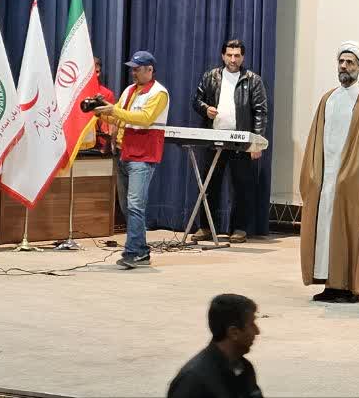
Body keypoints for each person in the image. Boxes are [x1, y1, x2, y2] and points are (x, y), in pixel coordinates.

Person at [299, 41, 359, 303]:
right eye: (341, 61)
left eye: (350, 62)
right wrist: (314, 175)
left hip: (353, 179)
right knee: (325, 229)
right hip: (326, 177)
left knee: (350, 230)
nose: (344, 66)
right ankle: (330, 283)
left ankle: (349, 287)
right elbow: (315, 138)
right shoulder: (329, 98)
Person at [94, 51, 170, 269]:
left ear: (150, 70)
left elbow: (144, 119)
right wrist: (100, 112)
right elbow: (118, 118)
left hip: (143, 155)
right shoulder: (129, 90)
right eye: (133, 69)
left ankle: (133, 252)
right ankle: (141, 251)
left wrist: (113, 110)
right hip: (123, 151)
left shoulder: (159, 93)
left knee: (135, 205)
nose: (133, 72)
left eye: (137, 69)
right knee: (128, 206)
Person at [191, 39, 270, 243]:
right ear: (222, 55)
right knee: (209, 185)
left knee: (242, 186)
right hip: (215, 139)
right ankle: (206, 227)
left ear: (243, 57)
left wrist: (256, 142)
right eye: (229, 55)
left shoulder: (253, 80)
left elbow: (260, 112)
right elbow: (197, 100)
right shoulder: (211, 76)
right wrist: (205, 109)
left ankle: (239, 228)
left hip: (241, 142)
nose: (233, 59)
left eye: (237, 56)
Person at [167, 294, 262, 398]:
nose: (257, 331)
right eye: (252, 324)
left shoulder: (244, 368)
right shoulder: (193, 382)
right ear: (234, 332)